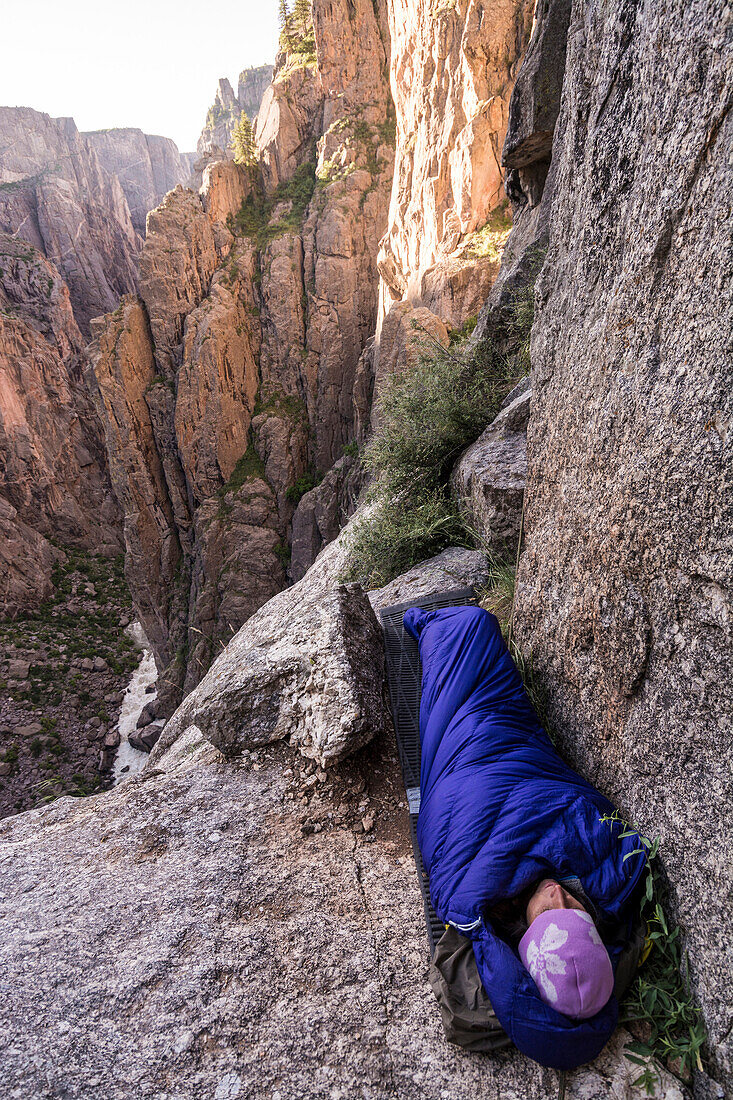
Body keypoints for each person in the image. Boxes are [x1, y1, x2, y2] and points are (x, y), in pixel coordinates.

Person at [404, 603, 646, 1070]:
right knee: (479, 637)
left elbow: (456, 840)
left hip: (465, 771)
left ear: (524, 937)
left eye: (547, 914)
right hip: (517, 753)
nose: (557, 894)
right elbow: (588, 816)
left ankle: (426, 624)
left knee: (469, 633)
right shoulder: (605, 880)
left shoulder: (474, 901)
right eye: (574, 908)